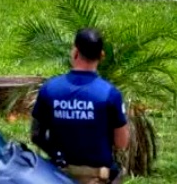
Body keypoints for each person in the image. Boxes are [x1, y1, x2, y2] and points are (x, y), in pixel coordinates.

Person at [30, 28, 130, 184]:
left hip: (58, 176)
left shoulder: (50, 89)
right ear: (101, 56)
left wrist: (57, 154)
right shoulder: (110, 94)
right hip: (97, 177)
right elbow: (121, 142)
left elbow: (36, 135)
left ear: (75, 52)